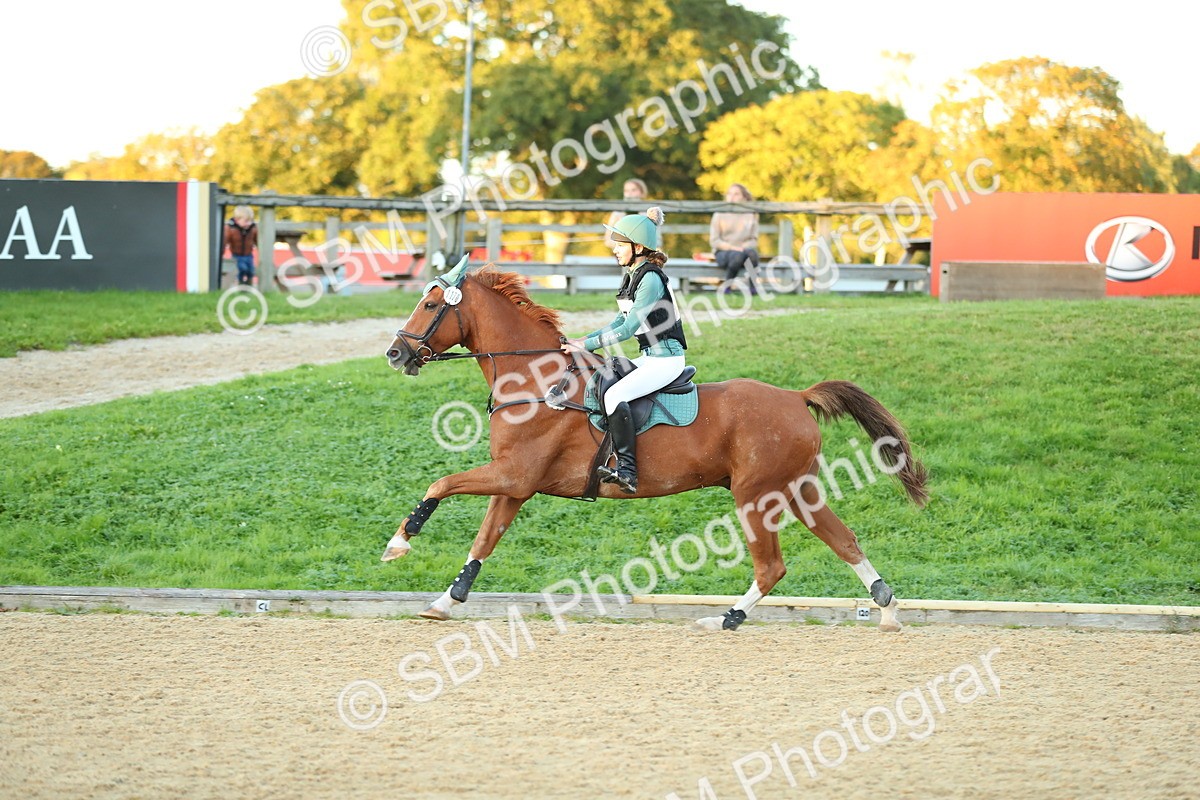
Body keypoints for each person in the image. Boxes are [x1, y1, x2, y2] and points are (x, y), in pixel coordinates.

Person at [562, 206, 688, 495]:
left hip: (666, 361)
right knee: (603, 379)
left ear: (638, 247)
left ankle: (628, 471)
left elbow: (629, 328)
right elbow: (619, 319)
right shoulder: (634, 275)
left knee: (615, 394)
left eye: (620, 246)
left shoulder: (651, 279)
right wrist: (583, 340)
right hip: (649, 358)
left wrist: (588, 345)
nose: (615, 251)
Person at [710, 183, 760, 294]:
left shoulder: (751, 214)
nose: (732, 197)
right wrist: (733, 247)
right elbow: (714, 241)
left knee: (753, 254)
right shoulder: (719, 213)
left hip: (744, 250)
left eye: (736, 194)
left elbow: (754, 239)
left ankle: (753, 288)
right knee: (737, 255)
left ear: (744, 197)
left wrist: (743, 247)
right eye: (729, 194)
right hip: (724, 252)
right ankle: (727, 286)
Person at [603, 179, 649, 248]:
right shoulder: (617, 213)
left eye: (633, 190)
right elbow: (608, 238)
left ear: (642, 192)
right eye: (626, 191)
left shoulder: (648, 213)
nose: (629, 193)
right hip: (621, 250)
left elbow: (655, 239)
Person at [223, 206, 258, 286]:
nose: (248, 223)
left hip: (249, 255)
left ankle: (249, 286)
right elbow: (225, 241)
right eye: (246, 221)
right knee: (241, 269)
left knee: (251, 271)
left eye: (250, 221)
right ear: (237, 220)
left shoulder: (252, 228)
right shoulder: (231, 228)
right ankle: (240, 285)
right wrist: (222, 251)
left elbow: (257, 240)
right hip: (236, 255)